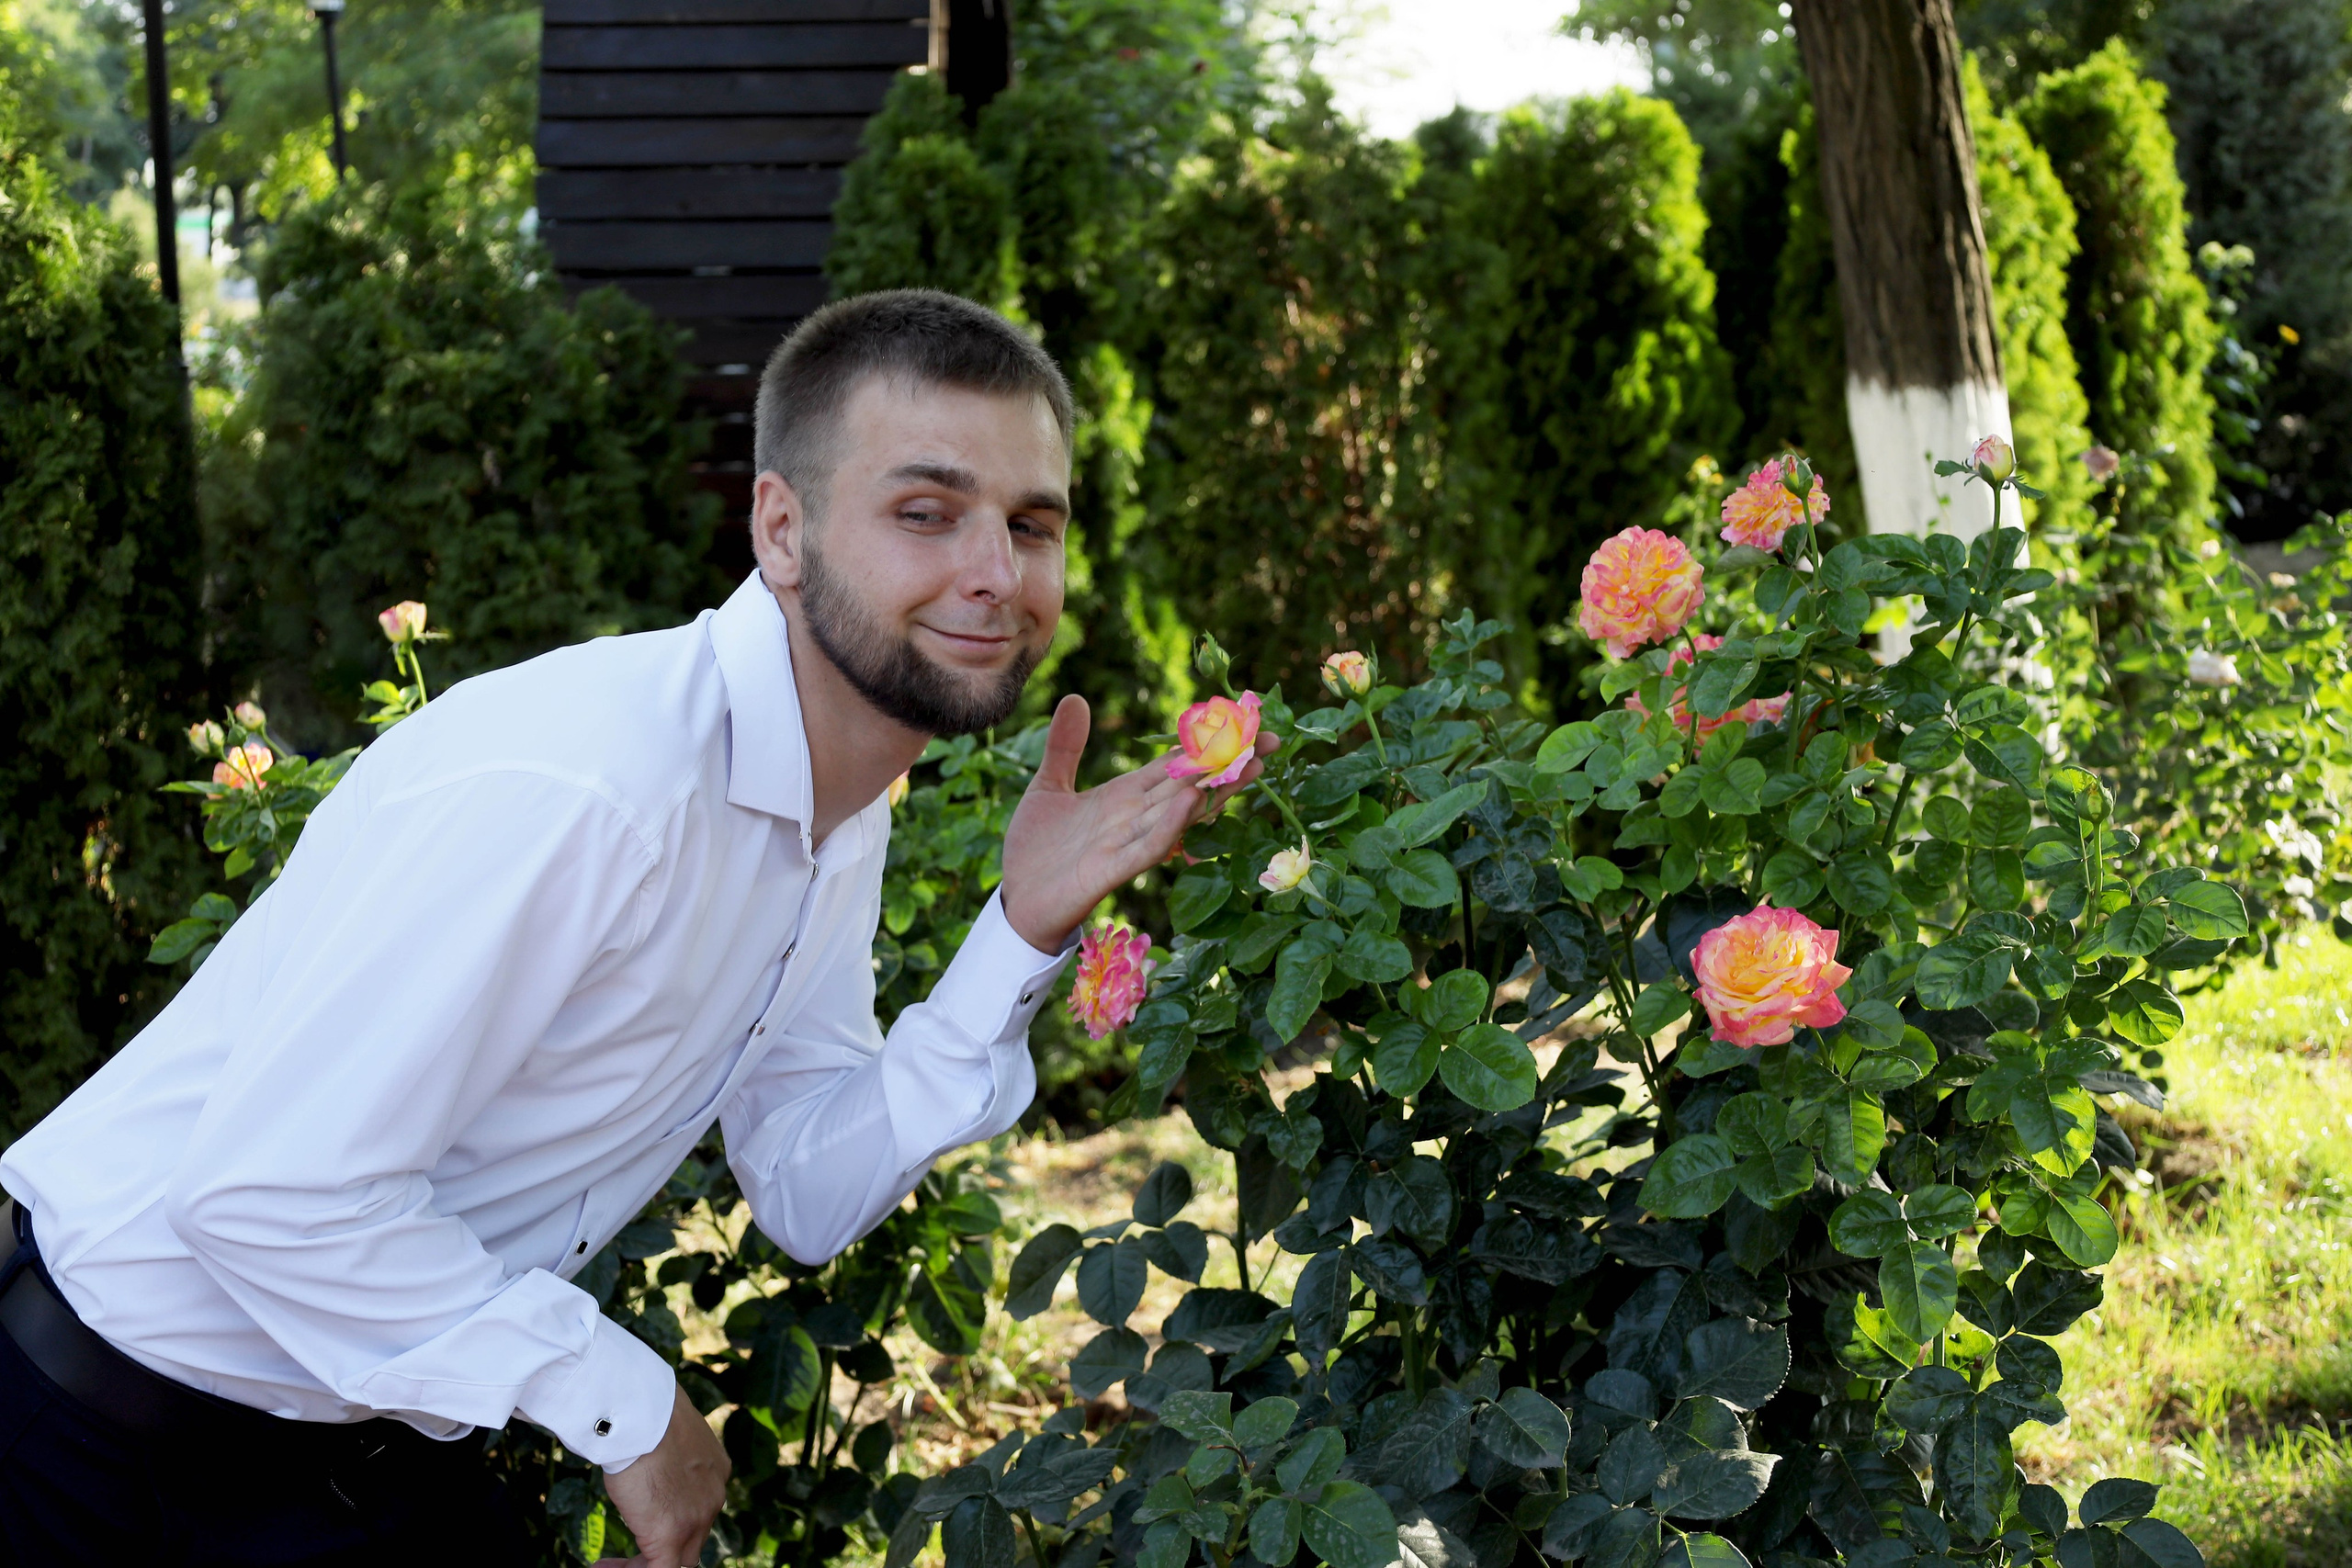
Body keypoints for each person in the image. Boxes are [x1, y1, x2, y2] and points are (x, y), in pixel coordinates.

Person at [0, 289, 1272, 1567]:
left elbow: (804, 1185)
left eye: (1030, 525)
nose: (995, 573)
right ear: (783, 528)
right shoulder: (588, 787)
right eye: (926, 512)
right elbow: (270, 1194)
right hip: (101, 1450)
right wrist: (625, 1406)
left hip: (365, 1448)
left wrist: (1019, 932)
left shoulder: (838, 813)